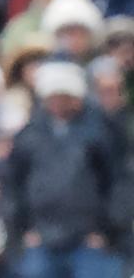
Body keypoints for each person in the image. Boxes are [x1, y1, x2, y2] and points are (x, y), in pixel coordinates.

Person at [10, 61, 125, 278]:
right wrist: (24, 229)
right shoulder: (29, 135)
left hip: (90, 238)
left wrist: (106, 230)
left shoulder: (101, 132)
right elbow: (15, 185)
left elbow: (117, 182)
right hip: (41, 237)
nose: (58, 103)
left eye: (64, 96)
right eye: (53, 96)